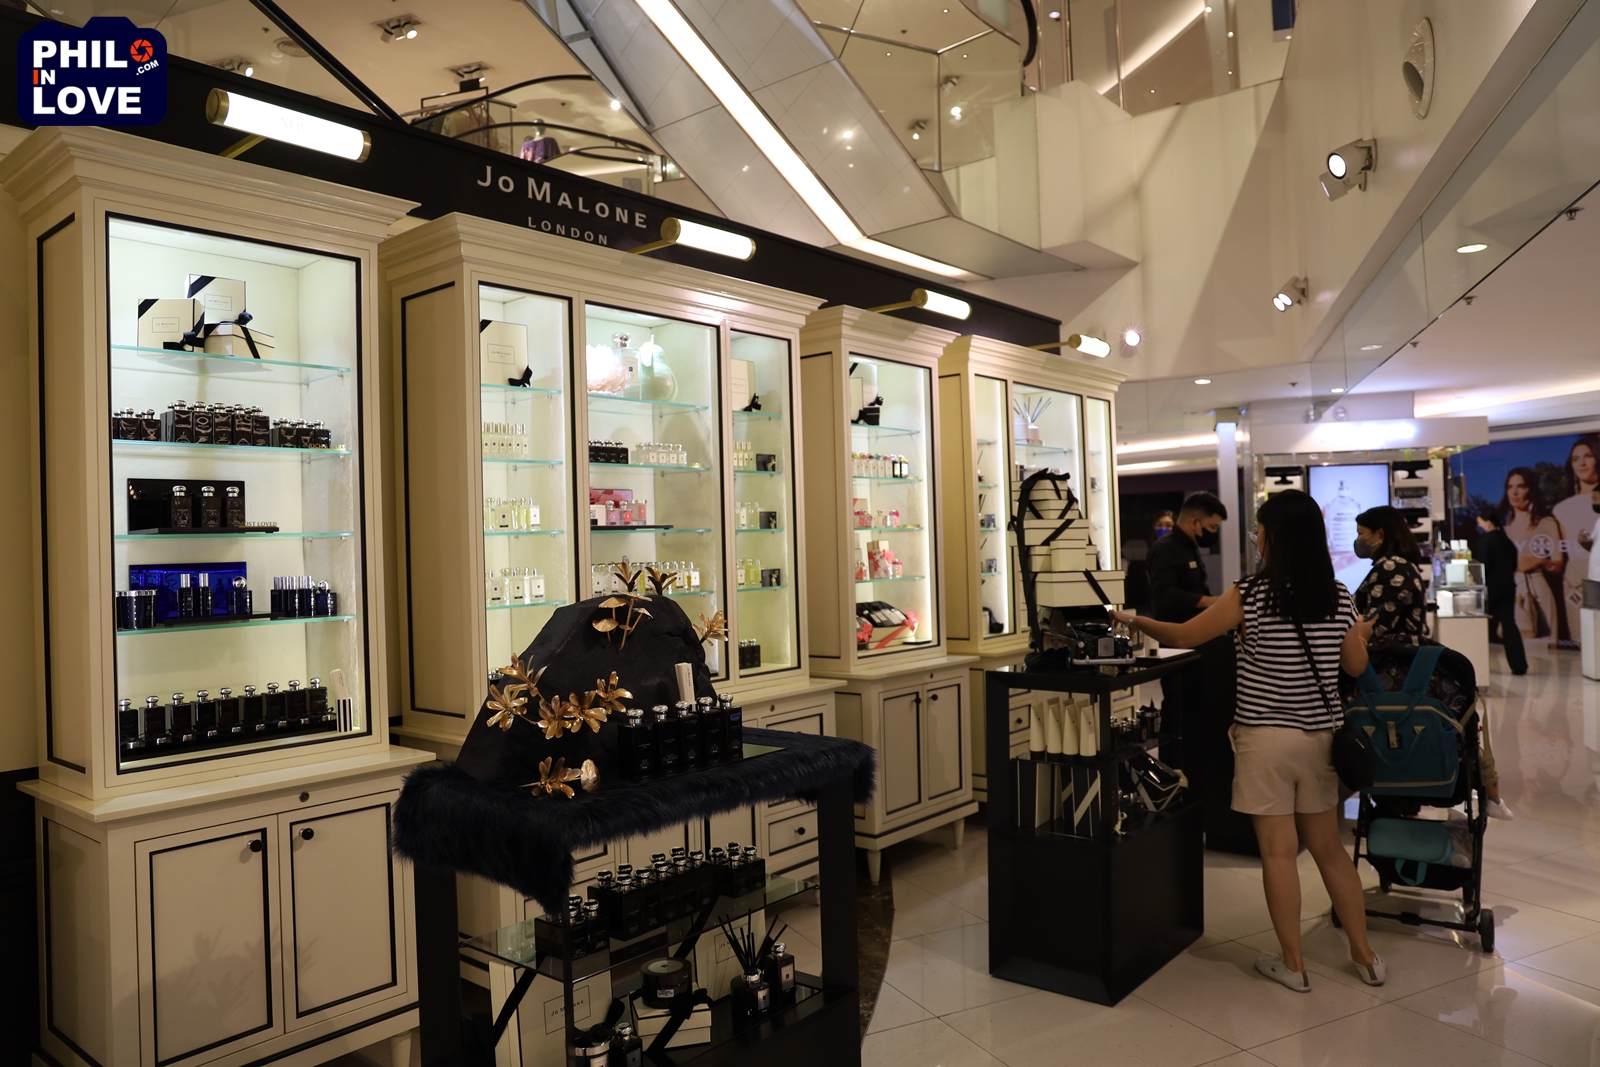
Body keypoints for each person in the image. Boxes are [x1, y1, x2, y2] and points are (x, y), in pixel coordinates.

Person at [1114, 489, 1385, 992]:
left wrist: (1133, 620)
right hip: (1320, 739)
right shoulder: (1338, 595)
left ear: (1274, 537)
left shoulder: (1250, 594)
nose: (1256, 538)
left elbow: (1182, 636)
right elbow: (1354, 666)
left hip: (1264, 740)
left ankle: (1294, 966)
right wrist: (1360, 636)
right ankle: (1365, 958)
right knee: (1329, 851)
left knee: (1279, 854)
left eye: (1259, 530)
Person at [1500, 467, 1564, 640]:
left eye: (1521, 486)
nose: (1514, 492)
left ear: (1530, 489)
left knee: (1545, 649)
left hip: (1538, 590)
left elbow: (1558, 565)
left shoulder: (1547, 523)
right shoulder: (1503, 529)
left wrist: (1539, 561)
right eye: (1510, 487)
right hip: (1512, 594)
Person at [1351, 505, 1427, 644]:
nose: (1358, 540)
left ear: (1380, 535)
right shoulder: (1400, 566)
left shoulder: (1391, 569)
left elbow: (1375, 625)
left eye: (1361, 534)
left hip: (1391, 655)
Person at [1552, 435, 1599, 644]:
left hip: (1596, 570)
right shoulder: (1562, 509)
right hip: (1575, 578)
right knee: (1583, 636)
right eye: (1575, 459)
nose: (1582, 463)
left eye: (1588, 456)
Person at [1475, 506, 1528, 677]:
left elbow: (1482, 569)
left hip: (1491, 589)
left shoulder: (1485, 543)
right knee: (1509, 624)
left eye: (1480, 523)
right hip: (1508, 587)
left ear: (1488, 523)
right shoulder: (1508, 542)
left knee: (1481, 625)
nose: (1479, 526)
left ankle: (1477, 665)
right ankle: (1519, 664)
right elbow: (1514, 565)